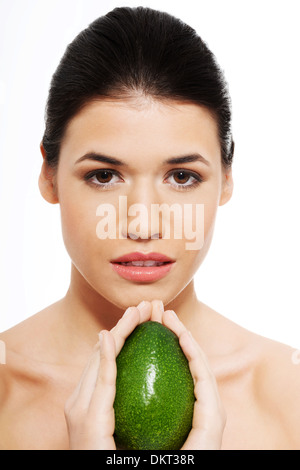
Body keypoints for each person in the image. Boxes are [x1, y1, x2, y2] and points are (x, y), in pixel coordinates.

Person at [0, 6, 299, 450]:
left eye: (182, 177)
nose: (143, 223)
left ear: (226, 178)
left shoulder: (288, 398)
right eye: (104, 175)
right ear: (48, 174)